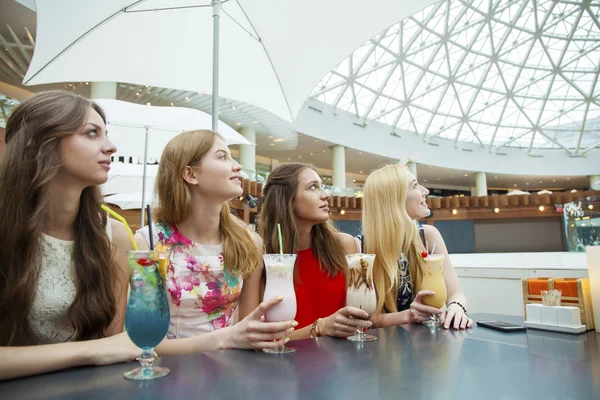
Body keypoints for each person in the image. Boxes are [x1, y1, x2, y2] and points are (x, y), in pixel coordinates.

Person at [0, 90, 140, 381]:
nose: (111, 146)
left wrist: (101, 350)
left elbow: (112, 345)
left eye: (106, 134)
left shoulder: (113, 237)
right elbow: (105, 349)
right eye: (92, 133)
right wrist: (90, 351)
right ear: (41, 141)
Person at [134, 130, 296, 355]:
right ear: (190, 174)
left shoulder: (249, 242)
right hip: (167, 374)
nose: (237, 166)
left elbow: (247, 331)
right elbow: (142, 343)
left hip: (228, 373)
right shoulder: (148, 242)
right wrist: (225, 338)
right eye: (223, 157)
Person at [259, 163, 372, 340]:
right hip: (286, 362)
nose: (326, 195)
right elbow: (259, 337)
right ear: (287, 199)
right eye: (313, 187)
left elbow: (357, 313)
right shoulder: (263, 257)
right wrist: (319, 327)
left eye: (322, 187)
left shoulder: (344, 245)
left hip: (343, 359)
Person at [361, 163, 473, 330]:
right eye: (415, 186)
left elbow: (456, 293)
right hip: (381, 348)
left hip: (427, 345)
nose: (425, 191)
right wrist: (407, 316)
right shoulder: (361, 248)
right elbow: (364, 319)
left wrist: (456, 307)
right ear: (394, 199)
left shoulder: (428, 235)